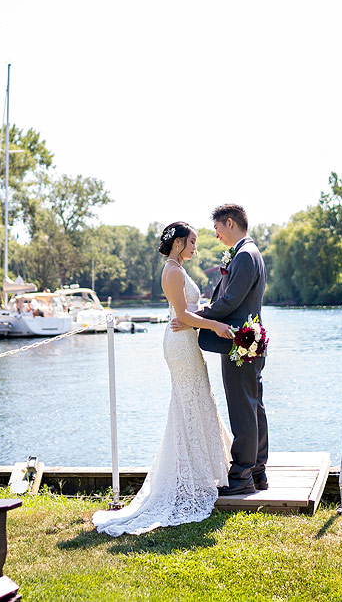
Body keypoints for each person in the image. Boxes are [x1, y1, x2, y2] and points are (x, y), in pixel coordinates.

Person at [92, 221, 234, 536]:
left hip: (187, 342)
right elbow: (181, 315)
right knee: (188, 404)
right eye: (193, 241)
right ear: (179, 242)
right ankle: (190, 478)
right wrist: (216, 327)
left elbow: (188, 310)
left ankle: (202, 472)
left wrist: (205, 314)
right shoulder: (171, 271)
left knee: (198, 400)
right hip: (180, 346)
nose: (196, 247)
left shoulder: (178, 269)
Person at [175, 203, 268, 495]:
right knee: (253, 407)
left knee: (243, 409)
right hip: (248, 339)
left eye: (217, 229)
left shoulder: (244, 255)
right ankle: (256, 473)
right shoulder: (248, 253)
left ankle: (241, 477)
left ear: (229, 223)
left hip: (239, 342)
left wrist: (195, 319)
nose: (216, 236)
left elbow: (229, 303)